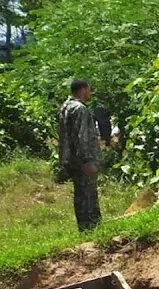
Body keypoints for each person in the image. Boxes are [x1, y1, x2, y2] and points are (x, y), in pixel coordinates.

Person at [58, 79, 102, 231]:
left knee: (80, 194)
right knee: (88, 195)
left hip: (70, 159)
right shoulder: (80, 109)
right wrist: (87, 160)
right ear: (83, 89)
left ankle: (84, 228)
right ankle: (93, 228)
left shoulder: (65, 107)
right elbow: (81, 136)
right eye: (89, 89)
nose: (90, 93)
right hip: (82, 161)